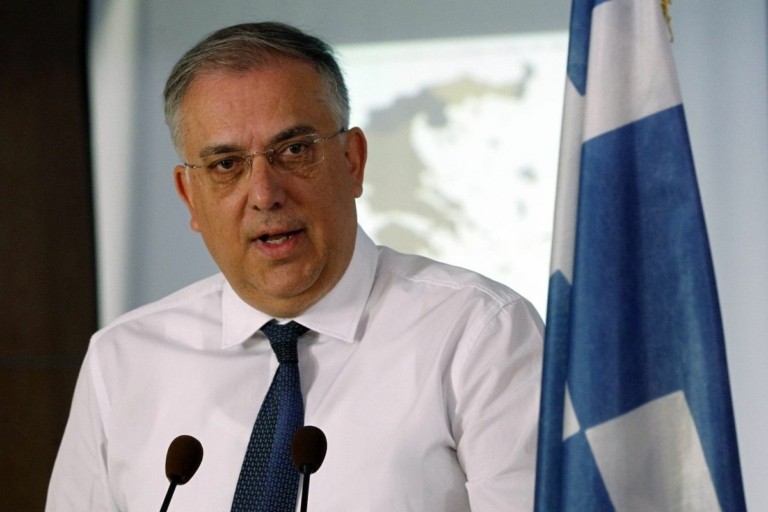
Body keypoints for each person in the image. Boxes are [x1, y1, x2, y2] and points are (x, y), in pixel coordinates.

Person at [46, 22, 543, 511]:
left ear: (352, 161)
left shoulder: (480, 335)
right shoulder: (122, 361)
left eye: (294, 150)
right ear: (189, 196)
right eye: (226, 164)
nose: (265, 194)